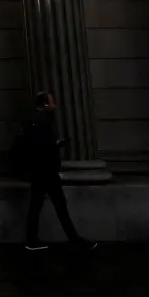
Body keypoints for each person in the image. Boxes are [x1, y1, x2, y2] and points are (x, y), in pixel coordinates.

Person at [22, 91, 96, 251]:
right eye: (52, 102)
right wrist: (56, 145)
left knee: (37, 207)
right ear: (45, 104)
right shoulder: (41, 122)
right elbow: (41, 147)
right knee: (59, 207)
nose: (54, 105)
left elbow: (36, 146)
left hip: (40, 172)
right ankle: (74, 240)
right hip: (46, 172)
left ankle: (32, 240)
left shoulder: (34, 121)